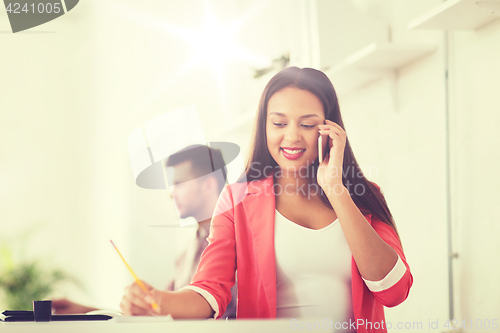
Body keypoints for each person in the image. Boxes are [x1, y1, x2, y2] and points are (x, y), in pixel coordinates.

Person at [120, 67, 412, 332]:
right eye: (279, 123)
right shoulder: (237, 201)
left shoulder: (365, 195)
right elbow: (210, 290)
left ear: (329, 129)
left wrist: (336, 189)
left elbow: (394, 290)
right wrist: (159, 301)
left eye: (307, 125)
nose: (292, 136)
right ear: (265, 127)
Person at [53, 145, 237, 319]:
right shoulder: (186, 254)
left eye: (179, 184)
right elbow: (160, 314)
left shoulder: (236, 243)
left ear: (209, 185)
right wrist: (88, 312)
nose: (171, 195)